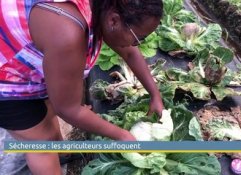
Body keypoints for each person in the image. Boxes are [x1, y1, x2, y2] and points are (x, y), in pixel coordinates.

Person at [0, 0, 164, 174]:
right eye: (139, 38)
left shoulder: (105, 8)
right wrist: (122, 135)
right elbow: (67, 109)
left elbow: (129, 52)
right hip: (6, 79)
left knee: (47, 112)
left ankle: (62, 153)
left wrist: (155, 95)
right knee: (41, 144)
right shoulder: (67, 32)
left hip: (27, 60)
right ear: (114, 21)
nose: (136, 44)